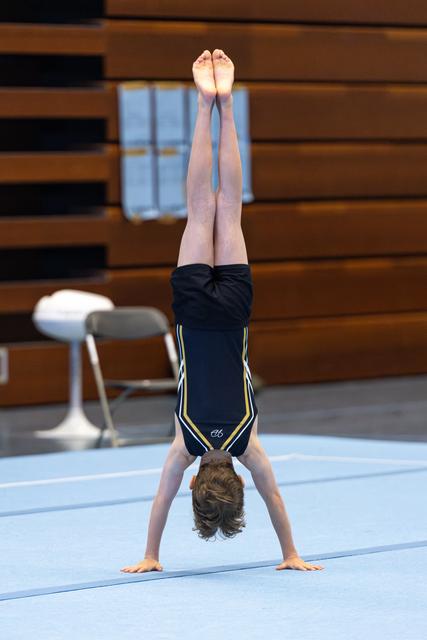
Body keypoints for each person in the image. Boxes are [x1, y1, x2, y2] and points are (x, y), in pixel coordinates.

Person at [121, 49, 324, 573]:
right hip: (192, 313)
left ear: (239, 480)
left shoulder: (248, 442)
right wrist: (149, 555)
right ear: (196, 481)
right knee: (202, 207)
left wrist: (292, 553)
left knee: (228, 206)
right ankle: (203, 102)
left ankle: (227, 104)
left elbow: (275, 500)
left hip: (233, 313)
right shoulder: (183, 445)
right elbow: (160, 502)